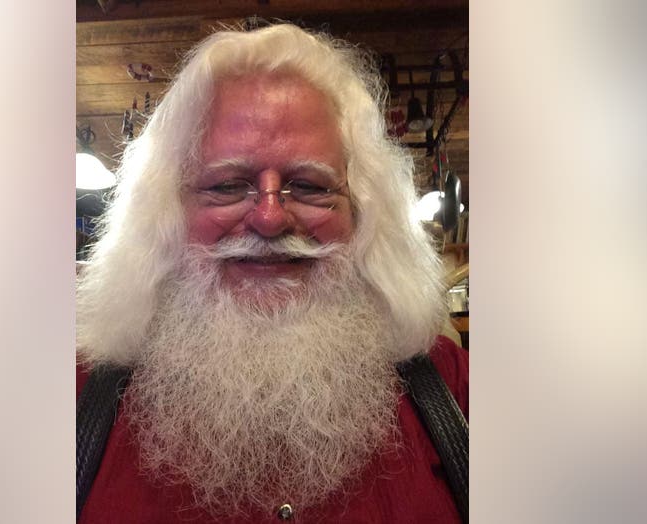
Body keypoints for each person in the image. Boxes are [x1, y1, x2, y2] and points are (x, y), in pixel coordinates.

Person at [76, 23, 468, 523]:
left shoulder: (454, 395)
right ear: (165, 212)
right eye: (226, 186)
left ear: (364, 213)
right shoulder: (72, 405)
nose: (268, 217)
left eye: (308, 185)